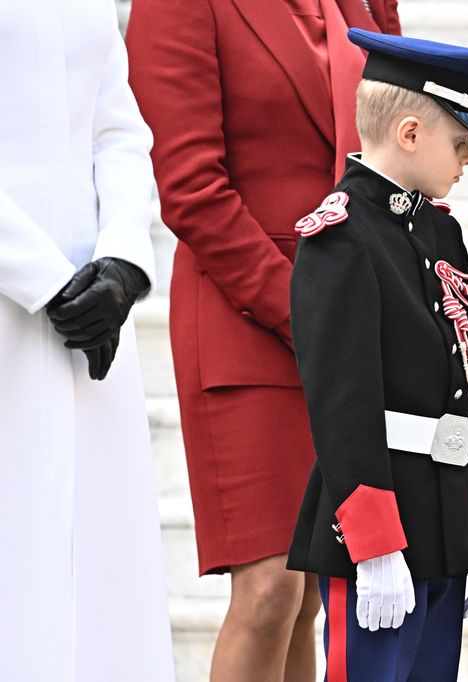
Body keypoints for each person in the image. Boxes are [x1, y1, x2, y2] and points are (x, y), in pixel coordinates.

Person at [125, 2, 399, 680]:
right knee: (270, 585)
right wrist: (305, 311)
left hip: (349, 315)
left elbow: (401, 138)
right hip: (242, 315)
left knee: (308, 589)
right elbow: (190, 189)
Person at [287, 28, 468, 680]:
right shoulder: (342, 236)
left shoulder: (440, 229)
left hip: (445, 515)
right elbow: (343, 402)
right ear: (411, 133)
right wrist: (373, 547)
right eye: (461, 143)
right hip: (378, 521)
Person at [0, 2, 174, 680]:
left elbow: (117, 128)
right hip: (27, 299)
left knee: (103, 565)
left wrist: (125, 259)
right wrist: (43, 281)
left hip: (92, 313)